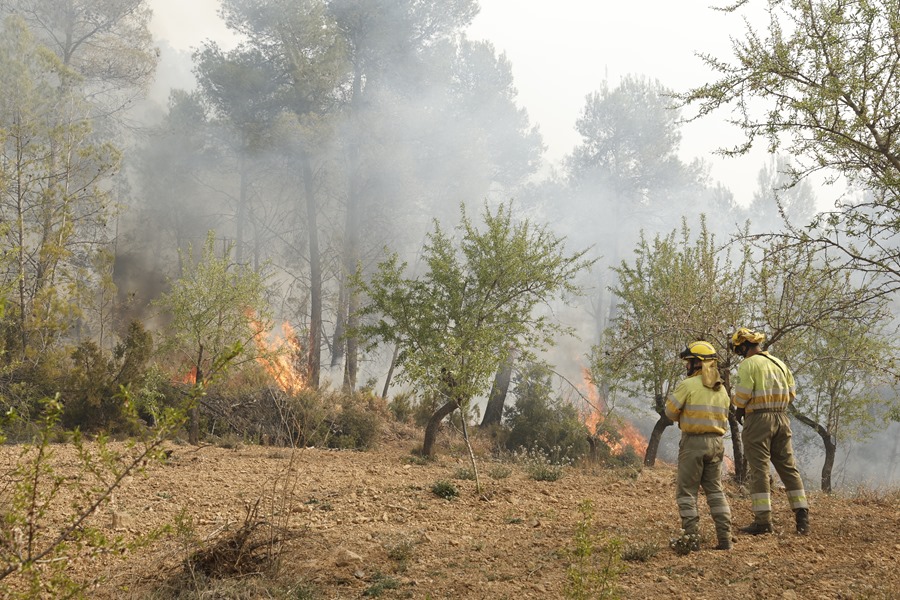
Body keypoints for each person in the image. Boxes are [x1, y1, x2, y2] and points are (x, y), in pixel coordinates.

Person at [730, 328, 809, 535]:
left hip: (758, 420)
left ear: (744, 346)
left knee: (760, 470)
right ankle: (802, 517)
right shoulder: (779, 363)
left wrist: (739, 406)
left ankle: (763, 522)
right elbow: (791, 394)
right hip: (782, 418)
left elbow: (742, 396)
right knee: (788, 467)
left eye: (738, 349)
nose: (739, 353)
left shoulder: (748, 364)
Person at [665, 341, 733, 551]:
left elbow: (670, 412)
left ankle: (691, 539)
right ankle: (725, 539)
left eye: (689, 362)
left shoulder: (688, 385)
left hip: (693, 443)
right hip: (717, 444)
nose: (687, 366)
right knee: (715, 490)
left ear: (698, 363)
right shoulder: (721, 389)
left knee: (687, 492)